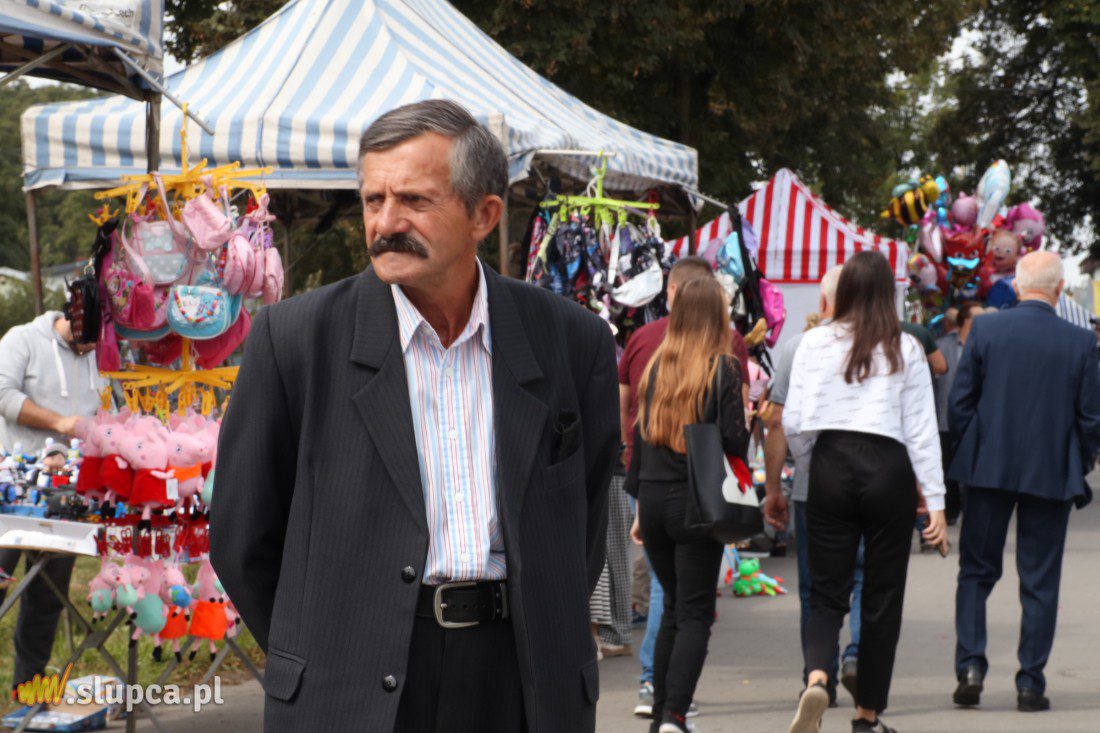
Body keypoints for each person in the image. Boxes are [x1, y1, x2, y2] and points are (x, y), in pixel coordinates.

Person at [210, 100, 620, 732]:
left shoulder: (572, 341)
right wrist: (326, 653)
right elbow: (242, 539)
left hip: (522, 682)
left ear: (484, 214)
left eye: (415, 201)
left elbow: (583, 526)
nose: (386, 222)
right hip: (350, 688)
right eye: (374, 200)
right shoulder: (294, 340)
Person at [783, 251, 947, 733]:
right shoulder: (906, 347)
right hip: (888, 468)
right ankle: (867, 714)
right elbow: (922, 430)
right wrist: (934, 502)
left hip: (831, 462)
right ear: (887, 294)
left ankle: (817, 677)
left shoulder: (813, 342)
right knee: (881, 595)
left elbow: (793, 420)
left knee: (824, 588)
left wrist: (810, 463)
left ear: (845, 290)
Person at [949, 251, 1100, 713]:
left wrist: (975, 447)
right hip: (1050, 471)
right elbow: (1091, 418)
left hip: (989, 468)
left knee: (977, 570)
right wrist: (1080, 459)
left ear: (1015, 287)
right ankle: (1030, 682)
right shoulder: (1080, 342)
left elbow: (959, 405)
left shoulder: (988, 330)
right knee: (1039, 580)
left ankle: (971, 665)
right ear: (1059, 290)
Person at [619, 256, 748, 719]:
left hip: (652, 500)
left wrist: (638, 507)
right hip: (695, 503)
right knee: (694, 612)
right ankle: (673, 714)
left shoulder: (656, 368)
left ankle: (660, 711)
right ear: (716, 316)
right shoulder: (723, 369)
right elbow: (734, 441)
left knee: (672, 605)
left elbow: (638, 437)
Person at [763, 265, 862, 706]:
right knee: (862, 577)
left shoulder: (797, 347)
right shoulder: (883, 345)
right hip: (870, 483)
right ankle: (857, 656)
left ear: (823, 302)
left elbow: (780, 422)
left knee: (815, 586)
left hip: (813, 484)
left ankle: (816, 673)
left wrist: (774, 488)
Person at [0, 310, 103, 692]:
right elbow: (4, 396)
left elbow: (109, 407)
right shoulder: (21, 339)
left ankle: (28, 695)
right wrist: (59, 423)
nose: (95, 346)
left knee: (46, 600)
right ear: (75, 314)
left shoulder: (100, 352)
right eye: (91, 336)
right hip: (9, 495)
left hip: (64, 499)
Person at [932, 302, 981, 525]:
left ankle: (973, 512)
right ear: (964, 321)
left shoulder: (987, 345)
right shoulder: (942, 346)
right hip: (945, 418)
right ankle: (950, 510)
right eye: (976, 319)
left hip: (977, 420)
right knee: (946, 467)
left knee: (975, 469)